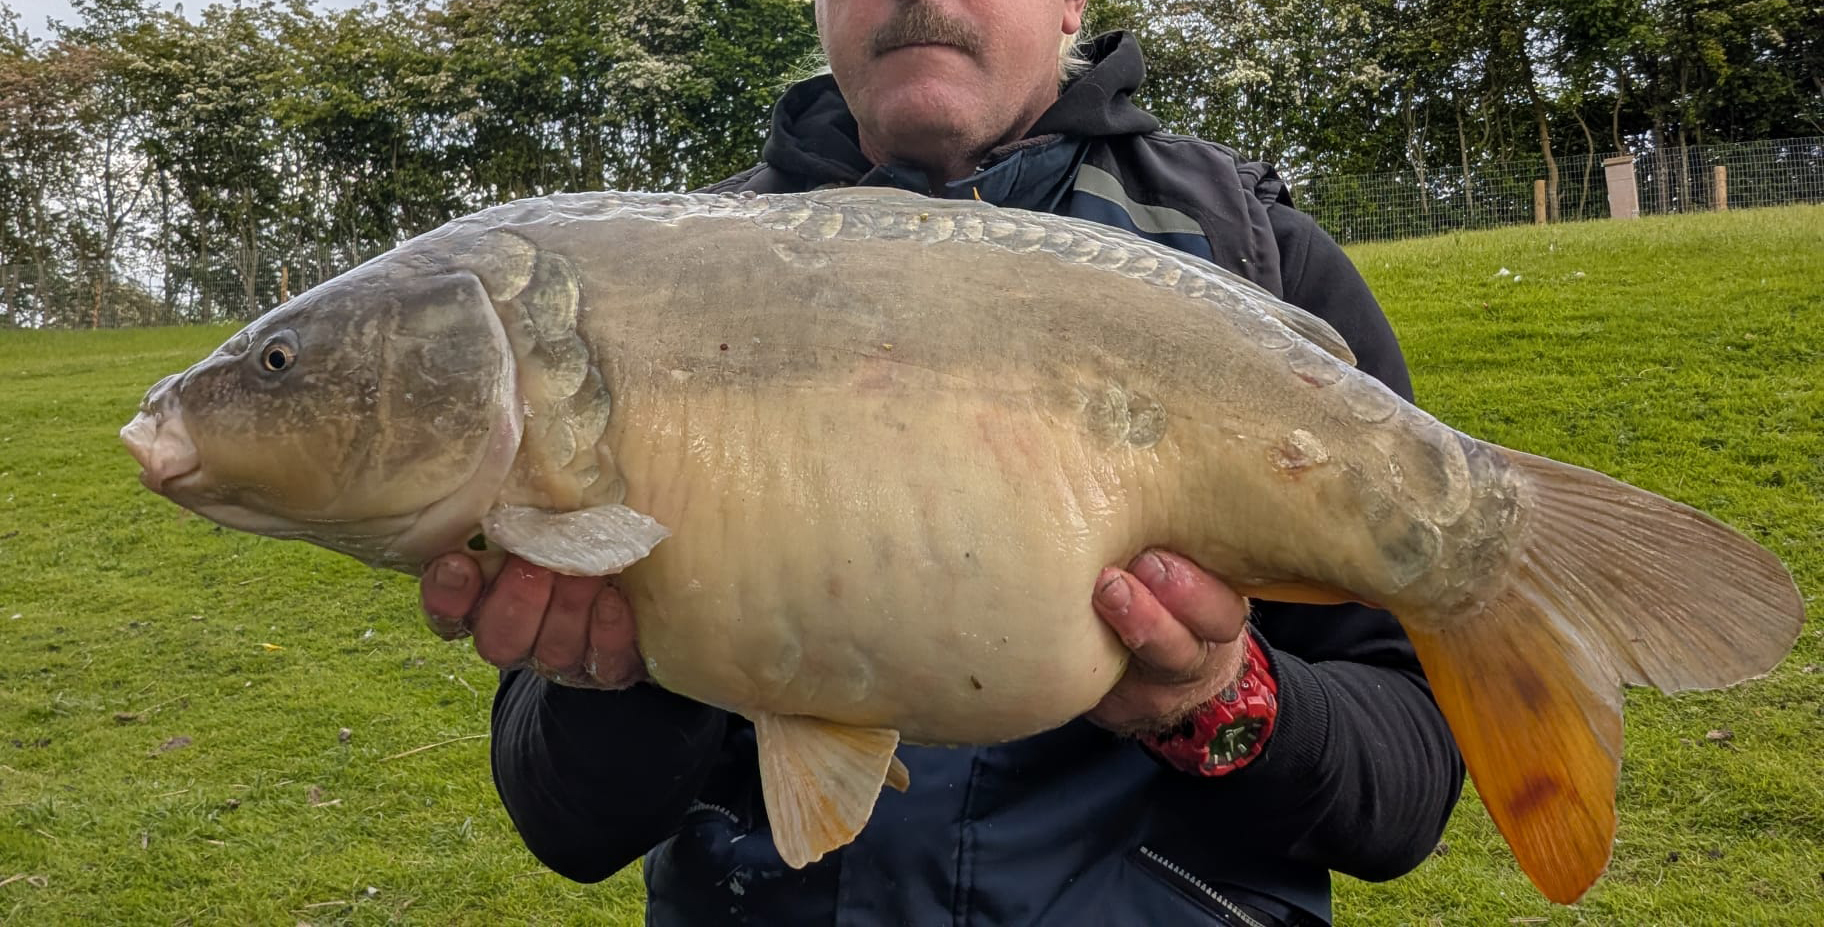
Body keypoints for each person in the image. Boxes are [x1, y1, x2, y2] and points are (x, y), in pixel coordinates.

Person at [420, 2, 1465, 923]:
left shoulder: (1253, 254)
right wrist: (633, 672)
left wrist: (1218, 700)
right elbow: (567, 826)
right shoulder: (647, 275)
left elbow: (1407, 790)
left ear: (1072, 4)